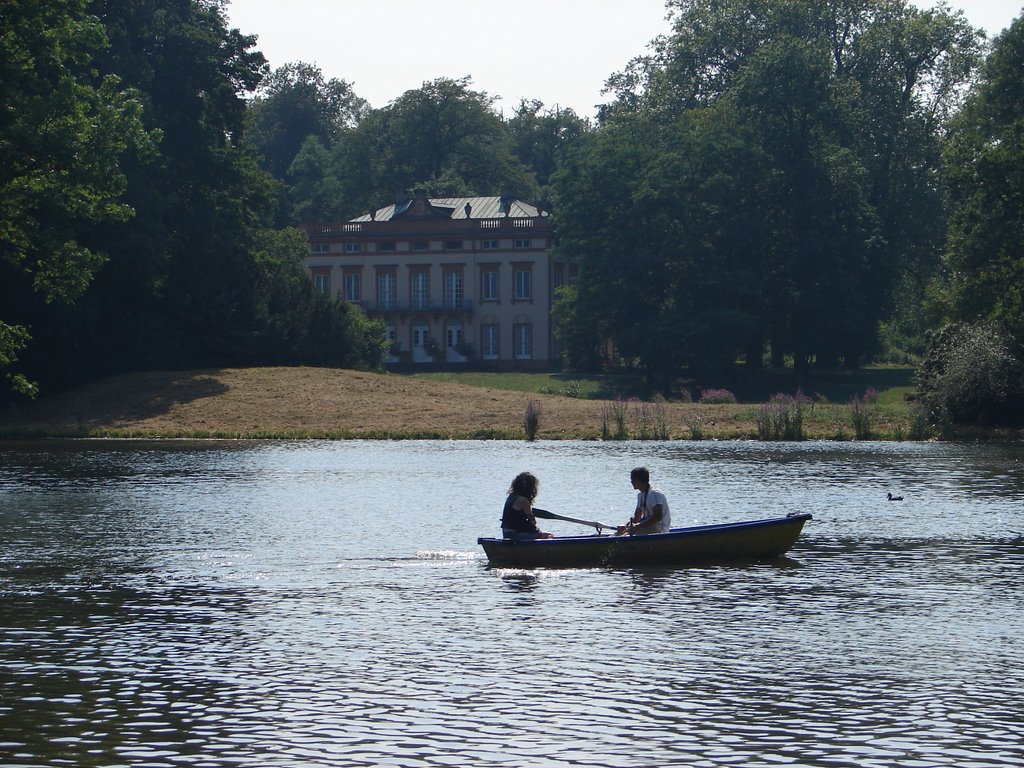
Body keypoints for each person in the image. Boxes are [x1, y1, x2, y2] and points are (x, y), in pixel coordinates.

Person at [616, 466, 671, 535]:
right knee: (618, 533)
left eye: (632, 479)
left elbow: (657, 517)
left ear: (638, 480)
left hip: (659, 530)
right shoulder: (640, 495)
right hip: (648, 528)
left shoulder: (655, 494)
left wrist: (637, 526)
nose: (631, 482)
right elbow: (636, 518)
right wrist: (625, 526)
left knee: (626, 535)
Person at [501, 471, 554, 540]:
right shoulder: (523, 500)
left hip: (506, 533)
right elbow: (533, 522)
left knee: (540, 534)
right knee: (549, 535)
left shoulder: (511, 497)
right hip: (516, 534)